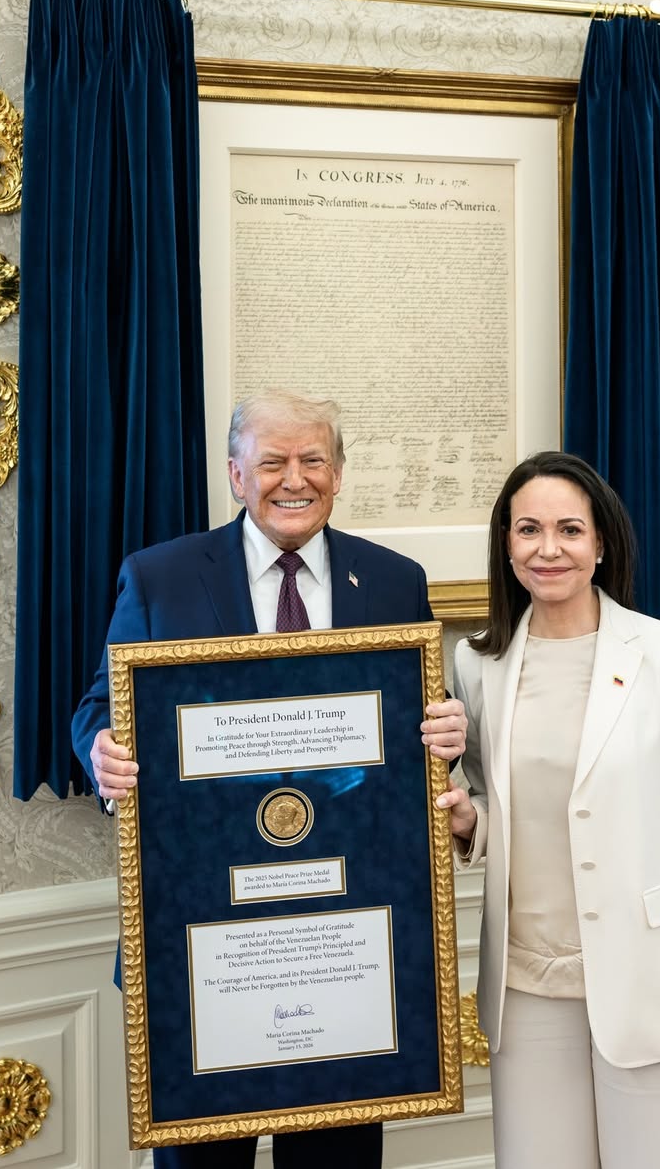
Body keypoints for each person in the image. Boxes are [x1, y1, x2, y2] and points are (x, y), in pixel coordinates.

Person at [71, 388, 467, 1169]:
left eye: (314, 460)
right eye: (274, 461)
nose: (296, 479)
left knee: (337, 1153)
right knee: (201, 1157)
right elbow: (99, 707)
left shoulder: (393, 580)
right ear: (235, 474)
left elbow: (410, 733)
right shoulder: (161, 576)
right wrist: (102, 750)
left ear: (339, 473)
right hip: (203, 923)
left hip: (347, 923)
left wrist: (447, 736)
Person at [437, 451, 660, 1169]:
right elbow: (489, 798)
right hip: (525, 986)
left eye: (570, 530)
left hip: (650, 982)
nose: (548, 549)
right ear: (506, 545)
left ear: (601, 544)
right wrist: (467, 821)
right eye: (528, 531)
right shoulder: (477, 666)